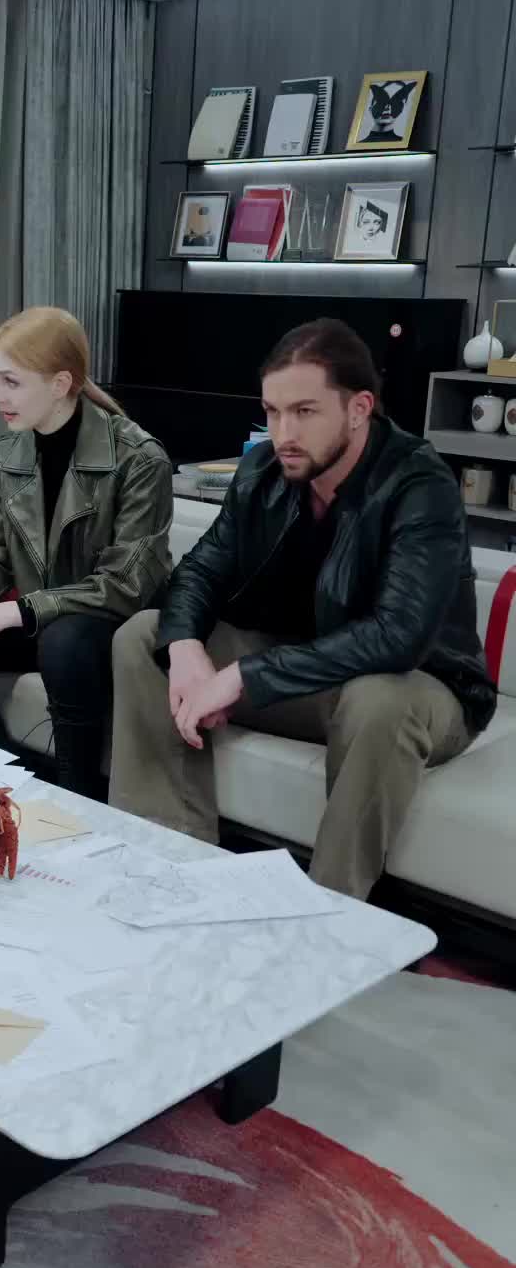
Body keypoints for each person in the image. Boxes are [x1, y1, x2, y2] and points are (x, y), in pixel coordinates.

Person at [109, 317, 496, 899]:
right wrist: (186, 649)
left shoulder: (420, 486)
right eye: (272, 412)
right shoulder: (263, 471)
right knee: (145, 636)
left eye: (305, 412)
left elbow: (399, 637)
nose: (283, 433)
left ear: (359, 408)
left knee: (380, 700)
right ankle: (169, 868)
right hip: (305, 675)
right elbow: (199, 572)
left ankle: (332, 912)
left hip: (421, 686)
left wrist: (242, 676)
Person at [0, 306, 173, 799]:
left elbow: (125, 584)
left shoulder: (139, 458)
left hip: (104, 629)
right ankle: (0, 775)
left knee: (65, 642)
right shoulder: (10, 452)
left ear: (60, 383)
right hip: (36, 621)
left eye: (10, 381)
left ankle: (79, 798)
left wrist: (12, 612)